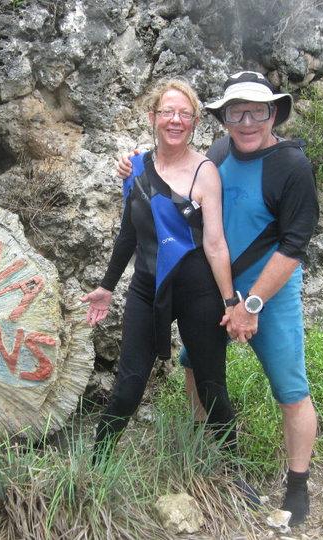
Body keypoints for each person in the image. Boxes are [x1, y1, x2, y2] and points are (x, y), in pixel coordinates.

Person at [116, 71, 319, 526]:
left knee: (290, 388)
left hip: (270, 294)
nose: (246, 121)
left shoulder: (292, 167)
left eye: (256, 111)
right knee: (194, 363)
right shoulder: (222, 152)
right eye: (235, 112)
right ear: (223, 118)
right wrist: (134, 168)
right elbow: (183, 183)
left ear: (273, 113)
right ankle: (202, 440)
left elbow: (292, 248)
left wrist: (251, 305)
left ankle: (297, 484)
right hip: (215, 291)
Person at [82, 79, 240, 463]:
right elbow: (128, 232)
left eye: (184, 114)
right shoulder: (136, 167)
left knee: (211, 387)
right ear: (152, 117)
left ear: (195, 121)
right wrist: (106, 286)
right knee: (128, 387)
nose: (175, 120)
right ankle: (93, 471)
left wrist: (230, 301)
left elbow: (215, 244)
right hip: (146, 288)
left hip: (197, 291)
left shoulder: (205, 173)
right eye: (167, 112)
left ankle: (235, 474)